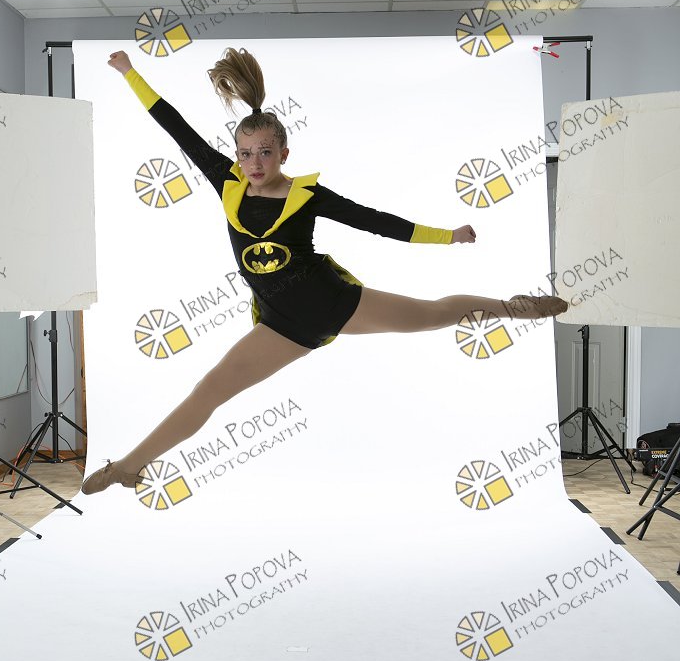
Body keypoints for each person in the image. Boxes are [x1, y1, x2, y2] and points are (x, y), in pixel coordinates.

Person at [82, 46, 567, 495]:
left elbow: (376, 221)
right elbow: (176, 126)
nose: (254, 162)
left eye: (265, 152)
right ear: (236, 155)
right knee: (209, 390)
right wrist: (129, 73)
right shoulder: (226, 182)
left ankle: (512, 307)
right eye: (246, 153)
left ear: (284, 154)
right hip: (281, 325)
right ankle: (129, 465)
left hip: (334, 303)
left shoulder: (307, 195)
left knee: (433, 314)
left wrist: (449, 235)